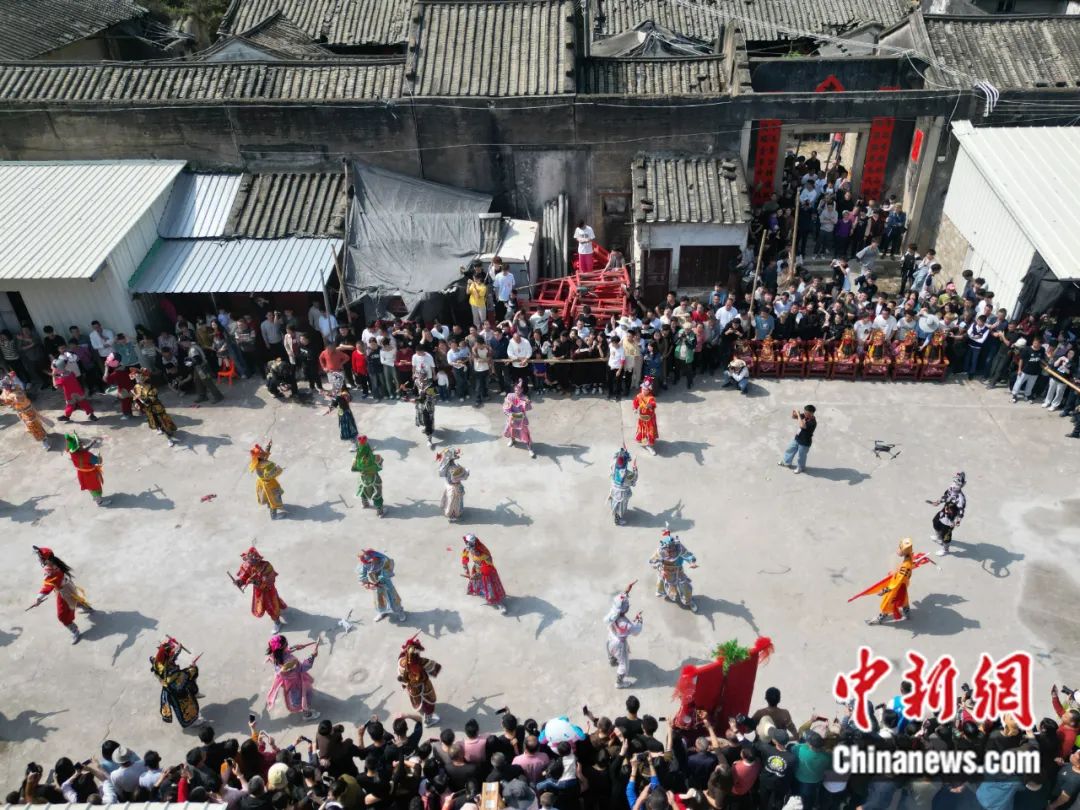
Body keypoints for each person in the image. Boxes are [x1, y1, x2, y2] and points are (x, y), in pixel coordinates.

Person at [27, 546, 93, 644]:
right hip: (69, 586)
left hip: (64, 592)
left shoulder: (50, 570)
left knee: (62, 616)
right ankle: (87, 608)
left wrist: (38, 598)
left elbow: (48, 586)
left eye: (40, 557)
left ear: (46, 559)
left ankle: (75, 631)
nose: (39, 559)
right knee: (74, 599)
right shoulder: (55, 563)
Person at [151, 637, 204, 728]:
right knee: (185, 707)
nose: (173, 654)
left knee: (185, 705)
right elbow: (182, 677)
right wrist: (191, 668)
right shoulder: (169, 672)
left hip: (174, 686)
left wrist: (178, 648)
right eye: (171, 654)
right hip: (176, 689)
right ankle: (192, 722)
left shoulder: (159, 661)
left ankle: (194, 694)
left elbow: (170, 657)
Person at [265, 634, 320, 722]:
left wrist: (294, 647)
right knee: (301, 696)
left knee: (295, 695)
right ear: (282, 648)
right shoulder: (291, 661)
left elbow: (284, 653)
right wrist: (312, 656)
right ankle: (307, 714)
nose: (288, 645)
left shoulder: (274, 655)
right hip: (296, 682)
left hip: (287, 681)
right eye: (286, 644)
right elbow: (303, 668)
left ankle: (303, 707)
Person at [232, 547, 288, 632]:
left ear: (258, 559)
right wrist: (239, 582)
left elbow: (269, 580)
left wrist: (255, 582)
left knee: (271, 607)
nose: (251, 562)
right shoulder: (248, 565)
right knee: (263, 604)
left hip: (268, 591)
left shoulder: (266, 566)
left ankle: (277, 623)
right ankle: (278, 608)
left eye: (253, 560)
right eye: (249, 560)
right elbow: (245, 576)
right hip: (258, 591)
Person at [866, 538, 917, 625]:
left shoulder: (905, 566)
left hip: (897, 588)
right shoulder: (909, 558)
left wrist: (884, 590)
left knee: (888, 603)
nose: (898, 550)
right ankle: (907, 614)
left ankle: (880, 618)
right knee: (904, 600)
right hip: (903, 585)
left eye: (900, 548)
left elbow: (896, 583)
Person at [649, 529, 698, 612]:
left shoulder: (679, 548)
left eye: (673, 548)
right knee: (666, 584)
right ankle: (663, 592)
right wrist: (660, 569)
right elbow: (652, 561)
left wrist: (692, 562)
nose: (671, 551)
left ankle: (689, 601)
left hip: (679, 571)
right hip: (666, 572)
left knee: (685, 586)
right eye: (669, 550)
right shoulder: (660, 551)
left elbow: (688, 555)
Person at [605, 583, 643, 688]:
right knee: (624, 664)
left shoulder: (613, 613)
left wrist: (626, 591)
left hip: (611, 637)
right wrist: (639, 620)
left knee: (610, 649)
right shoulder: (625, 624)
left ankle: (612, 660)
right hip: (619, 644)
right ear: (625, 609)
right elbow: (636, 631)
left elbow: (619, 601)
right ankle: (619, 682)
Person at [398, 635, 441, 726]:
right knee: (428, 704)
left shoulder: (401, 662)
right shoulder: (421, 662)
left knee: (416, 699)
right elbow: (434, 668)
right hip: (424, 687)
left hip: (412, 687)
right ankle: (428, 721)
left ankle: (420, 708)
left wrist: (404, 685)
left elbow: (401, 677)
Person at [0, 371, 49, 449]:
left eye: (5, 387)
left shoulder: (15, 393)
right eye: (3, 388)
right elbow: (5, 398)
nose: (4, 389)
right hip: (23, 411)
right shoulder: (12, 389)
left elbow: (9, 401)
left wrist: (5, 399)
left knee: (33, 425)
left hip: (27, 411)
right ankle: (44, 435)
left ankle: (44, 440)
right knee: (34, 424)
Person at [461, 533, 508, 614]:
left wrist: (479, 574)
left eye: (471, 544)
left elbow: (489, 564)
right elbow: (464, 559)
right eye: (468, 543)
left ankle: (499, 603)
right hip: (477, 570)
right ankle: (486, 596)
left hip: (487, 573)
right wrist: (467, 571)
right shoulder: (468, 549)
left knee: (491, 589)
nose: (469, 547)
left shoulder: (483, 551)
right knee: (479, 587)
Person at [131, 368, 178, 446]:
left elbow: (153, 397)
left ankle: (169, 438)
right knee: (154, 421)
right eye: (136, 378)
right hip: (147, 409)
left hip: (156, 406)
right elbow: (135, 397)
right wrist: (136, 403)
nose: (137, 379)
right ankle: (159, 428)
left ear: (144, 377)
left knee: (163, 422)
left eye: (139, 377)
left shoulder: (150, 386)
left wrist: (146, 400)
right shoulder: (136, 387)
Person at [357, 549, 406, 622]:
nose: (370, 562)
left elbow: (390, 566)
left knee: (393, 598)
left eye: (371, 560)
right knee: (379, 600)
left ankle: (400, 611)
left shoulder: (384, 560)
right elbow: (362, 575)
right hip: (376, 585)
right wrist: (367, 584)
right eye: (368, 562)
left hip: (387, 583)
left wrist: (385, 574)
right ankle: (382, 612)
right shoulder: (365, 564)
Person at [64, 432, 108, 507]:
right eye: (80, 443)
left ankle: (95, 497)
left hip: (82, 474)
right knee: (95, 488)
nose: (82, 443)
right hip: (90, 475)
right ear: (79, 447)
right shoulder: (87, 456)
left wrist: (92, 443)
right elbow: (98, 461)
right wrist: (99, 457)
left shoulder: (73, 453)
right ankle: (99, 502)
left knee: (90, 487)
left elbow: (83, 450)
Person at [928, 471, 966, 557]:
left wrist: (958, 520)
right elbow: (945, 497)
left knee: (946, 536)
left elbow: (961, 510)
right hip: (943, 512)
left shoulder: (961, 498)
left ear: (962, 485)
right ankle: (939, 538)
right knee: (935, 522)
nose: (955, 485)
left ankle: (945, 550)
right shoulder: (950, 489)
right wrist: (938, 502)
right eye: (954, 481)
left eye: (958, 483)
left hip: (950, 519)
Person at [249, 443, 285, 519]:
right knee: (274, 499)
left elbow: (265, 455)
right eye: (261, 452)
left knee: (268, 496)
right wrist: (279, 469)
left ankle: (269, 505)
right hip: (269, 484)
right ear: (260, 456)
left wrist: (268, 446)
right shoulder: (267, 465)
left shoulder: (257, 461)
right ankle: (274, 516)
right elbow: (269, 475)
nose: (263, 452)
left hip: (262, 482)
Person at [352, 435, 385, 516]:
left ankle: (365, 504)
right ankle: (379, 511)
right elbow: (380, 467)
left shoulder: (356, 459)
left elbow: (353, 469)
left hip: (363, 478)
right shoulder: (375, 458)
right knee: (377, 493)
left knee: (363, 490)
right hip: (373, 478)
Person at [778, 404, 816, 474]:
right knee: (790, 449)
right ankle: (787, 462)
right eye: (804, 412)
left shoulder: (813, 422)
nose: (804, 414)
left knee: (801, 456)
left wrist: (798, 414)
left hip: (805, 442)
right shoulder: (805, 415)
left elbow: (802, 425)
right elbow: (794, 417)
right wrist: (794, 413)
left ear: (811, 413)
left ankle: (800, 468)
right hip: (797, 438)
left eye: (806, 413)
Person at [502, 378, 536, 458]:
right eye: (516, 390)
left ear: (522, 390)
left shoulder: (524, 397)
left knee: (525, 435)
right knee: (511, 430)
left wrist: (527, 403)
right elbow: (505, 408)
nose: (517, 391)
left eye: (519, 390)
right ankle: (512, 440)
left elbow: (528, 408)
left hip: (521, 419)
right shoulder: (510, 396)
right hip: (512, 418)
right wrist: (510, 415)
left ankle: (530, 449)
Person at [607, 447, 638, 526]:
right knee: (621, 507)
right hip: (622, 493)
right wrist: (635, 469)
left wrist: (622, 453)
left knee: (615, 503)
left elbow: (616, 458)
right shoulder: (628, 474)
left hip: (614, 490)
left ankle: (616, 515)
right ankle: (617, 521)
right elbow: (634, 480)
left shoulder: (614, 466)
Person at [436, 446, 469, 522]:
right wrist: (466, 472)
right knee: (454, 503)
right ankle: (453, 515)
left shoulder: (445, 466)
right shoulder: (454, 468)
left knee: (449, 501)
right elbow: (458, 478)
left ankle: (449, 511)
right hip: (454, 488)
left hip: (448, 485)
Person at [325, 373, 358, 442]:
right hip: (341, 411)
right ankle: (347, 436)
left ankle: (353, 437)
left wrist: (345, 396)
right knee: (343, 425)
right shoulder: (336, 392)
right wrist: (330, 409)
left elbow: (348, 399)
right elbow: (335, 402)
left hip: (346, 411)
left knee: (349, 424)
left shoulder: (344, 392)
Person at [1012, 335, 1045, 403]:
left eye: (1036, 343)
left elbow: (1042, 359)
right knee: (1019, 383)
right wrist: (1019, 369)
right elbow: (1021, 359)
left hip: (1035, 372)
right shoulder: (1027, 349)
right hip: (1025, 370)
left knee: (1030, 385)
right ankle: (1014, 395)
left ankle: (1027, 395)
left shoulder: (1042, 349)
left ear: (1040, 344)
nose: (1035, 344)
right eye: (1034, 342)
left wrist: (1045, 365)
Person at [102, 354, 135, 419]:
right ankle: (139, 412)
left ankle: (127, 415)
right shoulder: (125, 367)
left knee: (125, 403)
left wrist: (106, 368)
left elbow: (105, 379)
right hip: (131, 387)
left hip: (123, 390)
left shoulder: (116, 374)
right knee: (132, 401)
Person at [631, 377, 658, 455]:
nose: (643, 390)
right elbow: (635, 403)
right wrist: (635, 409)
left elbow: (653, 404)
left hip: (650, 420)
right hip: (642, 419)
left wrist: (649, 405)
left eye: (645, 389)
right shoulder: (639, 396)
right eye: (642, 388)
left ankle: (649, 446)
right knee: (642, 431)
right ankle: (643, 441)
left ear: (649, 390)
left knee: (650, 433)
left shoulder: (651, 398)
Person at [411, 372, 438, 450]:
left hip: (428, 405)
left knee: (428, 420)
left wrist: (416, 400)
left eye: (423, 378)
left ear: (426, 378)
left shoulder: (430, 385)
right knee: (421, 418)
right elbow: (414, 392)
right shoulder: (416, 382)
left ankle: (429, 439)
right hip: (420, 405)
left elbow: (430, 397)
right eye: (419, 377)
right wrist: (405, 390)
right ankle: (427, 428)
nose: (421, 380)